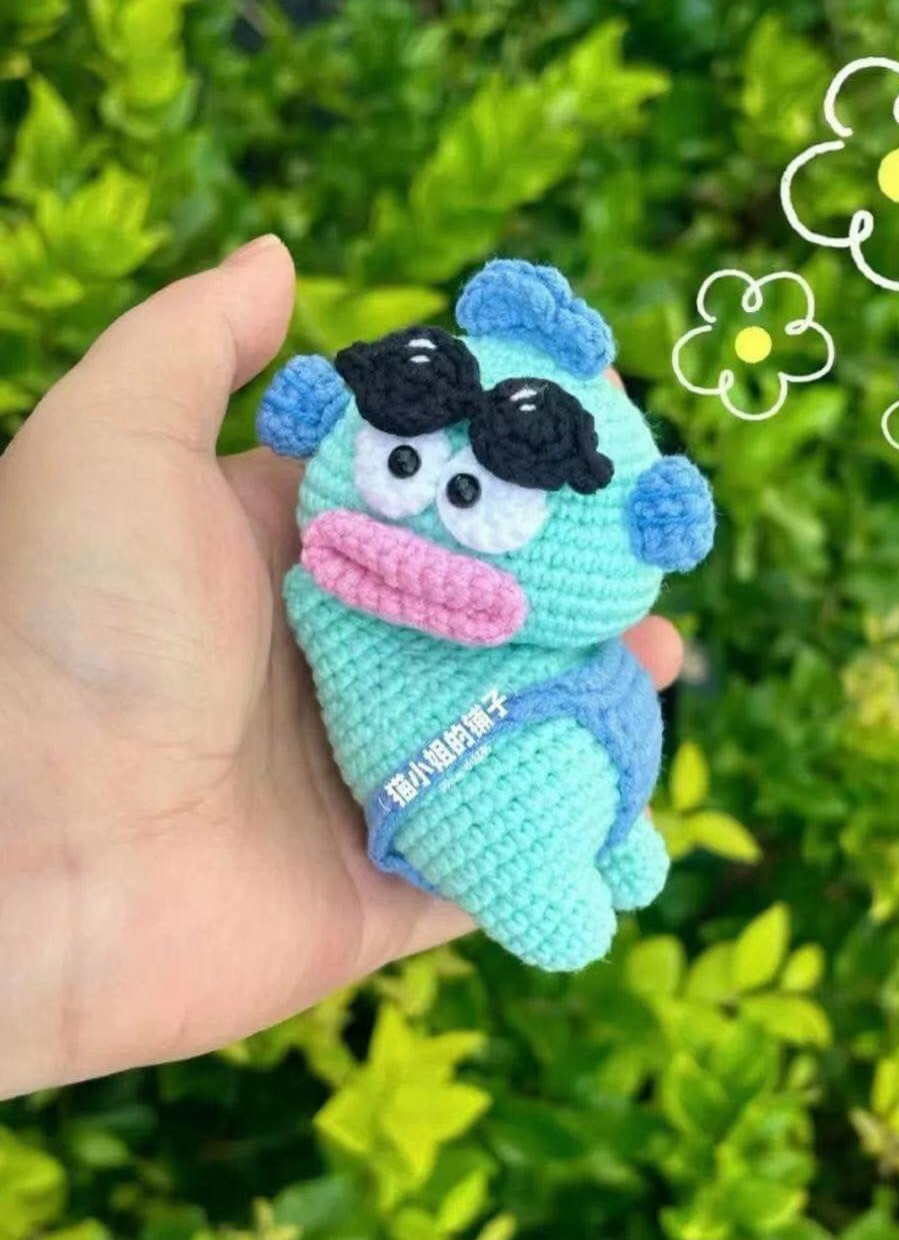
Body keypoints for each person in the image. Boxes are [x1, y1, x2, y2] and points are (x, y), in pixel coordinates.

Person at [0, 236, 683, 1099]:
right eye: (405, 462)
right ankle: (564, 869)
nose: (427, 523)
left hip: (568, 702)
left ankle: (614, 841)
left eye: (472, 494)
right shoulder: (334, 606)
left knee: (609, 805)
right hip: (450, 773)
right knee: (529, 852)